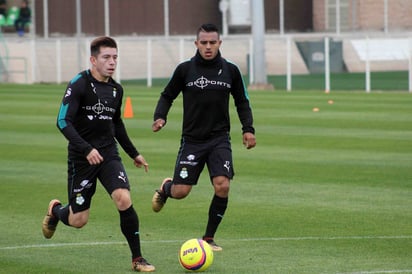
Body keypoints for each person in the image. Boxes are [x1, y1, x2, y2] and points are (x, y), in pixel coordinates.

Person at [42, 36, 155, 272]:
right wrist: (86, 149)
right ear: (93, 59)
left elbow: (117, 124)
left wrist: (134, 153)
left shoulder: (116, 90)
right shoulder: (79, 83)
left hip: (108, 155)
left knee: (123, 198)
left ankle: (137, 259)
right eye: (106, 57)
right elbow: (62, 121)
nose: (112, 62)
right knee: (78, 220)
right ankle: (55, 210)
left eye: (115, 57)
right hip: (81, 159)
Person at [151, 23, 256, 251]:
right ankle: (166, 188)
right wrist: (160, 116)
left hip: (219, 139)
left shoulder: (231, 70)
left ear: (219, 43)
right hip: (192, 141)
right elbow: (167, 95)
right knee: (181, 192)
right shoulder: (185, 70)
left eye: (212, 42)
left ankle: (208, 238)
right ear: (196, 44)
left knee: (223, 186)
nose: (208, 47)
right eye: (204, 43)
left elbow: (242, 101)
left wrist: (248, 129)